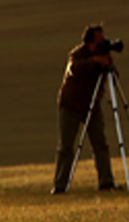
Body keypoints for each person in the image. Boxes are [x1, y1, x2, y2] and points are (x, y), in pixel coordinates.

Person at [51, 24, 120, 194]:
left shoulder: (103, 56)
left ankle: (106, 182)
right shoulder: (77, 55)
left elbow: (115, 78)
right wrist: (94, 61)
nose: (103, 44)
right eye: (100, 41)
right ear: (89, 43)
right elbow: (74, 69)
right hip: (71, 106)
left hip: (93, 106)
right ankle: (60, 185)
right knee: (66, 147)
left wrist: (108, 65)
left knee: (101, 144)